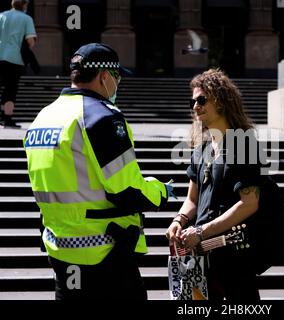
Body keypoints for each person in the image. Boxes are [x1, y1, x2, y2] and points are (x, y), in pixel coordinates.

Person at [24, 43, 174, 300]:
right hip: (104, 252)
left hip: (60, 250)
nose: (117, 84)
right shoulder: (101, 117)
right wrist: (160, 191)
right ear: (104, 76)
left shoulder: (43, 117)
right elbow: (126, 190)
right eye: (117, 77)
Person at [165, 68, 262, 300]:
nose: (195, 106)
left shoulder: (243, 145)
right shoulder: (201, 150)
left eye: (201, 99)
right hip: (200, 258)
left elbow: (249, 204)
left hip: (234, 257)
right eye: (193, 101)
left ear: (220, 101)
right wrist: (179, 220)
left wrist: (201, 231)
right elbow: (192, 200)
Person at [0, 0, 37, 128]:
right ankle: (8, 118)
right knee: (11, 88)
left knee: (3, 88)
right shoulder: (26, 18)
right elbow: (30, 40)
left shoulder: (2, 16)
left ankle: (2, 117)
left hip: (0, 56)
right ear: (25, 5)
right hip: (15, 58)